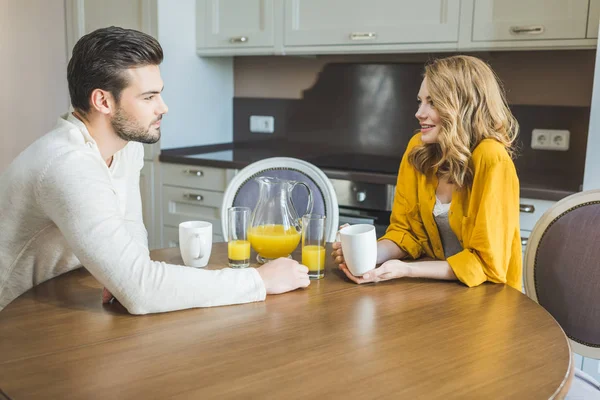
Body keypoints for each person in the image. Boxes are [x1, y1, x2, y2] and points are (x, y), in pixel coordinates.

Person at [0, 27, 310, 314]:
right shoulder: (68, 165)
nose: (163, 107)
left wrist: (122, 274)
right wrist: (258, 281)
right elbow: (143, 290)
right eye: (149, 97)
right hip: (14, 322)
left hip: (60, 303)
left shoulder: (125, 145)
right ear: (103, 101)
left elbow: (130, 226)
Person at [332, 55, 522, 290]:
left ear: (462, 107)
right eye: (420, 101)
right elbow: (407, 232)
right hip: (434, 290)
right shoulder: (418, 148)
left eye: (432, 102)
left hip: (487, 295)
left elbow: (488, 265)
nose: (419, 113)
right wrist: (369, 254)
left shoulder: (492, 158)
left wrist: (407, 269)